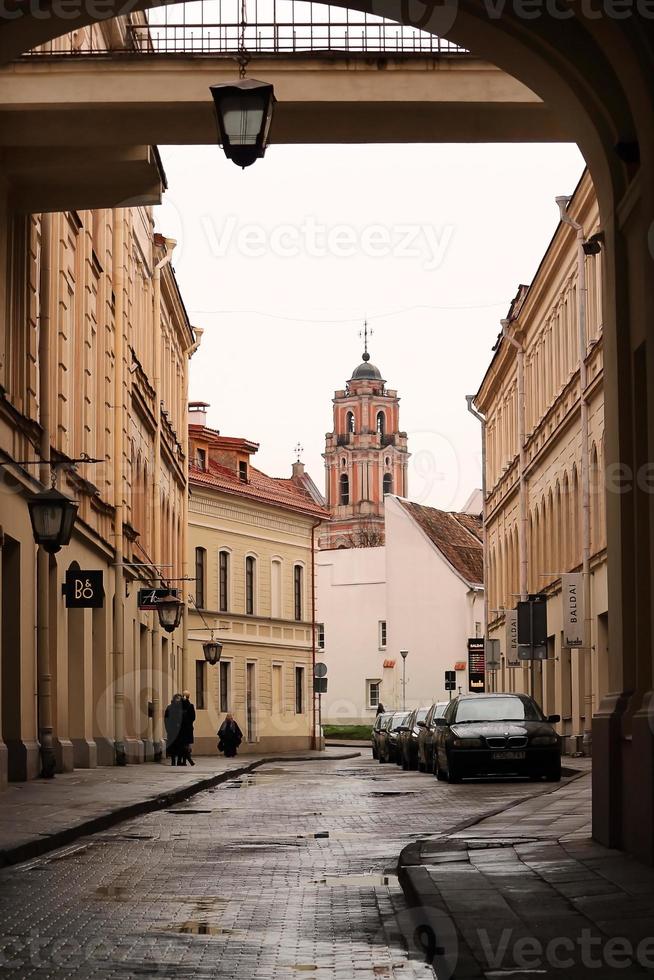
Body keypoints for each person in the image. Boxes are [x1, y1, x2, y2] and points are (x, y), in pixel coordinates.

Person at [164, 693, 184, 765]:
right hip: (172, 730)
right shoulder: (169, 708)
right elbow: (166, 719)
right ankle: (173, 761)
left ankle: (179, 761)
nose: (178, 700)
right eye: (177, 698)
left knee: (180, 746)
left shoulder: (182, 708)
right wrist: (168, 728)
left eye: (179, 699)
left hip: (180, 730)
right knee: (173, 746)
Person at [180, 690, 196, 766]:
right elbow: (193, 717)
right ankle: (187, 760)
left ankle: (185, 761)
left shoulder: (179, 705)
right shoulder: (191, 706)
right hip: (188, 728)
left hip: (180, 728)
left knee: (182, 745)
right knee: (186, 745)